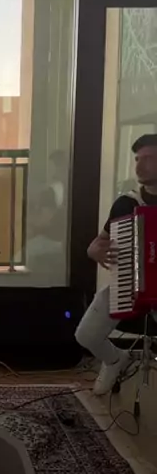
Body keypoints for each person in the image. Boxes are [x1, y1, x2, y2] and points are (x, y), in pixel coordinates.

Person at [75, 133, 157, 395]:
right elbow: (98, 242)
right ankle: (114, 360)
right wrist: (94, 251)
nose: (140, 166)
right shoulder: (127, 203)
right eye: (137, 159)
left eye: (148, 159)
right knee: (85, 335)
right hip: (127, 286)